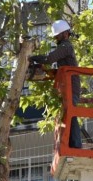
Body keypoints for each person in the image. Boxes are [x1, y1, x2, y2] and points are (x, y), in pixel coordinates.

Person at [30, 19, 83, 148]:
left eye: (58, 36)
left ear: (65, 34)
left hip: (71, 86)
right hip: (67, 86)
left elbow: (49, 58)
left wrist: (32, 58)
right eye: (55, 36)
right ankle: (72, 144)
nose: (56, 38)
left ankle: (75, 145)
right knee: (68, 113)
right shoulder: (63, 47)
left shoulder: (66, 46)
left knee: (71, 113)